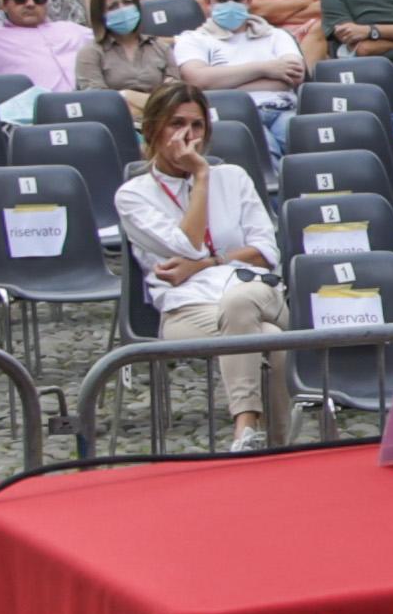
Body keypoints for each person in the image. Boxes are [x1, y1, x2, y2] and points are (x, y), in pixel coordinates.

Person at [119, 87, 290, 452]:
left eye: (197, 126)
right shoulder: (133, 195)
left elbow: (265, 251)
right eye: (176, 124)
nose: (189, 136)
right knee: (268, 336)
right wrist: (201, 178)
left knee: (240, 303)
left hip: (255, 291)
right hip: (187, 308)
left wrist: (206, 264)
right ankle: (277, 448)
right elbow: (187, 243)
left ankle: (244, 428)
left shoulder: (234, 177)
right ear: (152, 129)